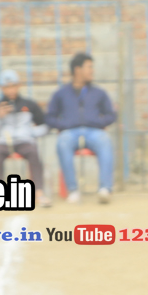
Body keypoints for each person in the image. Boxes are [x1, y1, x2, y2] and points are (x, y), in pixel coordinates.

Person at [46, 52, 117, 204]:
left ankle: (105, 189)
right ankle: (73, 191)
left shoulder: (99, 93)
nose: (92, 71)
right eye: (89, 67)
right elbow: (50, 117)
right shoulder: (61, 94)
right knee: (62, 142)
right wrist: (63, 125)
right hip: (70, 132)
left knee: (105, 140)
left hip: (94, 131)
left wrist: (99, 122)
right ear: (77, 70)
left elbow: (111, 115)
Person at [0, 69, 51, 207]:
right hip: (3, 142)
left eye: (13, 86)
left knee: (33, 153)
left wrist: (31, 132)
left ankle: (39, 192)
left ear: (19, 85)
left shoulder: (30, 105)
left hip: (24, 141)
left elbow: (45, 127)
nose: (11, 90)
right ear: (1, 88)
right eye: (7, 87)